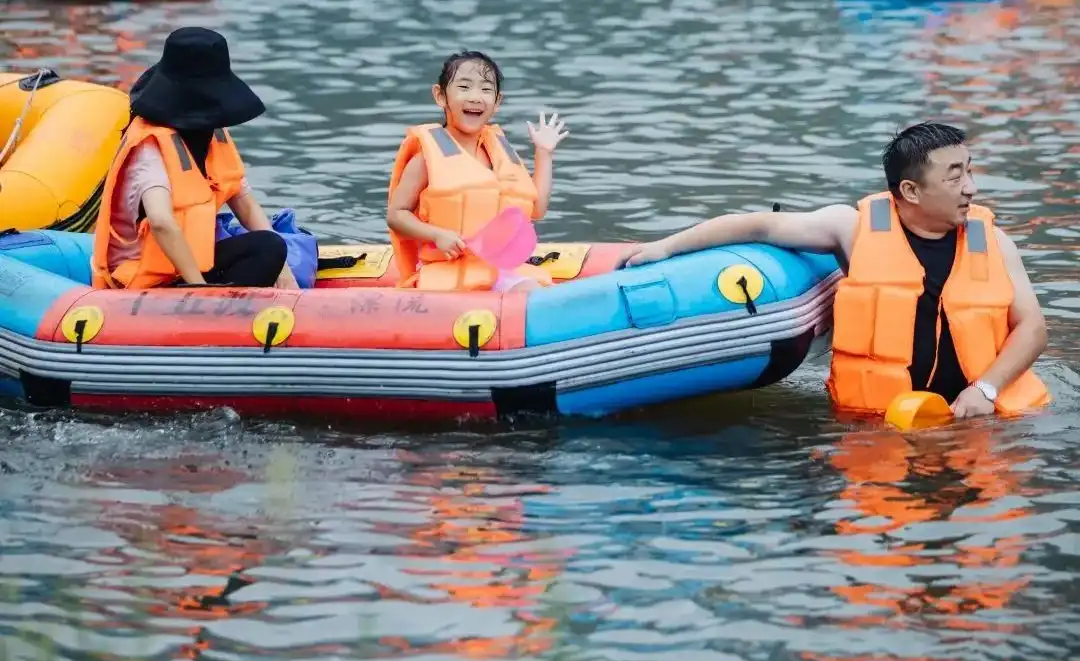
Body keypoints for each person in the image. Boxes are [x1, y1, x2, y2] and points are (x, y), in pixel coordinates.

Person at [624, 122, 1049, 421]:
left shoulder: (994, 242)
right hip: (875, 426)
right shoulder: (853, 229)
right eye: (956, 177)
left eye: (970, 170)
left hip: (974, 420)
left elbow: (1032, 327)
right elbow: (758, 225)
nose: (972, 187)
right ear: (910, 191)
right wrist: (665, 247)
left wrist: (986, 391)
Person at [92, 27, 297, 291]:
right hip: (143, 277)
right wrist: (200, 290)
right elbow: (161, 221)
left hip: (188, 268)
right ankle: (211, 309)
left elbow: (245, 205)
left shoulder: (213, 135)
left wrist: (284, 270)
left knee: (269, 248)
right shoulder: (150, 146)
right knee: (266, 250)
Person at [387, 50, 569, 292]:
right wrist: (436, 235)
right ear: (440, 96)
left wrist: (544, 153)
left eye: (485, 90)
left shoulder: (499, 153)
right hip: (447, 272)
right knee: (534, 294)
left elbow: (537, 209)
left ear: (497, 102)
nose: (475, 97)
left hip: (499, 268)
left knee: (537, 291)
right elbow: (396, 215)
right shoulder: (426, 158)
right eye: (464, 87)